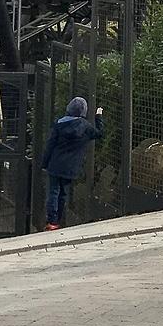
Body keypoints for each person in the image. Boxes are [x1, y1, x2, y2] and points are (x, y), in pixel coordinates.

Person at [40, 96, 103, 229]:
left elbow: (50, 146)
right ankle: (57, 220)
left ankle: (52, 221)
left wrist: (44, 163)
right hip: (70, 168)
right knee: (63, 193)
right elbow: (99, 133)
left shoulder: (59, 124)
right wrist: (98, 116)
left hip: (55, 164)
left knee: (53, 192)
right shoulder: (85, 127)